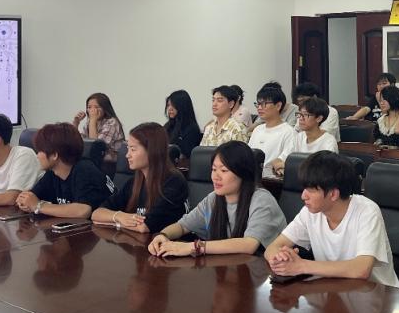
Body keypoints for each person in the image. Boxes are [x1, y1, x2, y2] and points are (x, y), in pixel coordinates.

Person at [265, 151, 399, 287]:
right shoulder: (310, 212)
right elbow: (273, 247)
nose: (303, 196)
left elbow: (361, 269)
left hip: (377, 293)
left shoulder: (367, 211)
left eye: (311, 190)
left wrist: (301, 266)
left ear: (333, 194)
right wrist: (280, 258)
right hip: (333, 290)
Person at [149, 141, 286, 257]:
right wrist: (163, 235)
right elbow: (182, 226)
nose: (215, 177)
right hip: (228, 270)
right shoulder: (214, 198)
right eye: (214, 169)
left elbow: (249, 245)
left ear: (243, 173)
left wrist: (194, 247)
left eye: (224, 170)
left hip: (263, 273)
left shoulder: (261, 200)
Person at [91, 122, 189, 233]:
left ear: (152, 150)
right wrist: (118, 216)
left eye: (133, 149)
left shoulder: (174, 182)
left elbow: (145, 226)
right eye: (128, 149)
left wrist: (115, 221)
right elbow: (96, 214)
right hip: (136, 241)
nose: (127, 155)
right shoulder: (135, 181)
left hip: (166, 242)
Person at [16, 122, 115, 219]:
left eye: (40, 151)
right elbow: (33, 197)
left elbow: (83, 211)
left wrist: (39, 206)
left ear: (54, 155)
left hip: (109, 226)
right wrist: (25, 201)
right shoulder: (53, 172)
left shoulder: (84, 170)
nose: (37, 156)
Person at [271, 97, 339, 177]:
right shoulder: (299, 137)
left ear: (319, 118)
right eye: (299, 114)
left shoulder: (328, 141)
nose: (300, 119)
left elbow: (323, 170)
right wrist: (280, 167)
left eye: (306, 115)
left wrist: (288, 166)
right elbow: (277, 161)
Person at [248, 83, 297, 178]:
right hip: (251, 178)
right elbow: (249, 155)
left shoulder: (289, 132)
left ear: (278, 106)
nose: (259, 108)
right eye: (258, 104)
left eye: (264, 104)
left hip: (272, 181)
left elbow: (284, 162)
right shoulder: (258, 129)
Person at [73, 92, 125, 162]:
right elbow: (79, 142)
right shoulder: (90, 122)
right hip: (95, 161)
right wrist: (76, 123)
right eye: (89, 107)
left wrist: (93, 120)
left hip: (109, 163)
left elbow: (95, 147)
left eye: (96, 107)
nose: (92, 110)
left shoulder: (112, 122)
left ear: (105, 108)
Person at [163, 89, 203, 159]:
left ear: (182, 106)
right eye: (168, 105)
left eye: (173, 105)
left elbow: (186, 154)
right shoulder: (168, 126)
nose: (170, 109)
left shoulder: (191, 129)